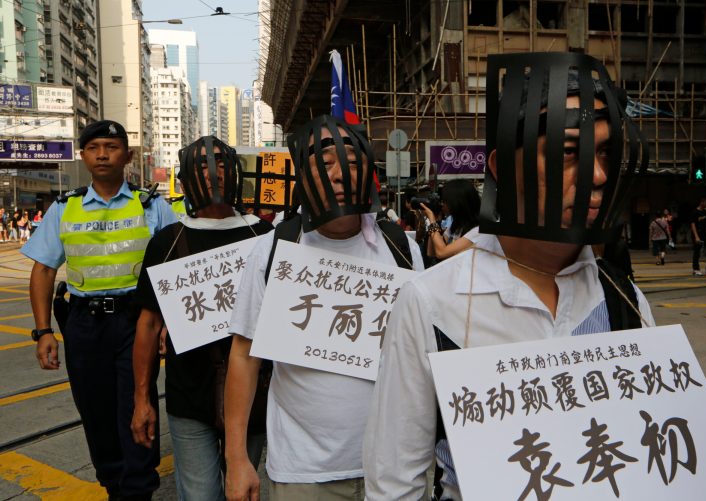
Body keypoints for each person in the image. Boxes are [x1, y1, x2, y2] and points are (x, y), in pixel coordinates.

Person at [363, 52, 655, 500]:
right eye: (570, 152)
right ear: (504, 168)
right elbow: (394, 482)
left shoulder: (624, 299)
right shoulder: (431, 304)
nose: (597, 175)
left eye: (606, 154)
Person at [224, 115, 424, 501]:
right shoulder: (274, 249)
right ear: (303, 175)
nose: (339, 175)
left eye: (351, 163)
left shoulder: (401, 248)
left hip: (395, 469)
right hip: (305, 472)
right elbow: (244, 354)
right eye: (326, 163)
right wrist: (236, 458)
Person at [22, 120, 177, 500]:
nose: (103, 154)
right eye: (94, 148)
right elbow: (43, 270)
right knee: (96, 415)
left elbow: (177, 267)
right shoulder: (64, 208)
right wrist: (43, 332)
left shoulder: (153, 206)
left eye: (111, 146)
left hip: (136, 322)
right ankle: (113, 487)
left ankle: (138, 490)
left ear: (127, 155)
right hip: (83, 325)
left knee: (137, 408)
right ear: (83, 156)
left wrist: (167, 325)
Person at [130, 136, 273, 500]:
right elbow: (147, 325)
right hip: (188, 394)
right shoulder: (167, 241)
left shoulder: (265, 235)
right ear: (185, 181)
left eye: (222, 165)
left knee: (242, 489)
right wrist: (142, 398)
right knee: (199, 494)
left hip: (253, 396)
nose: (213, 175)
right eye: (202, 168)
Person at [419, 179, 481, 261]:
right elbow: (432, 252)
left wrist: (432, 220)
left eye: (445, 201)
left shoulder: (477, 232)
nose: (442, 204)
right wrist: (433, 221)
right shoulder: (456, 227)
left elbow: (441, 252)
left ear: (457, 203)